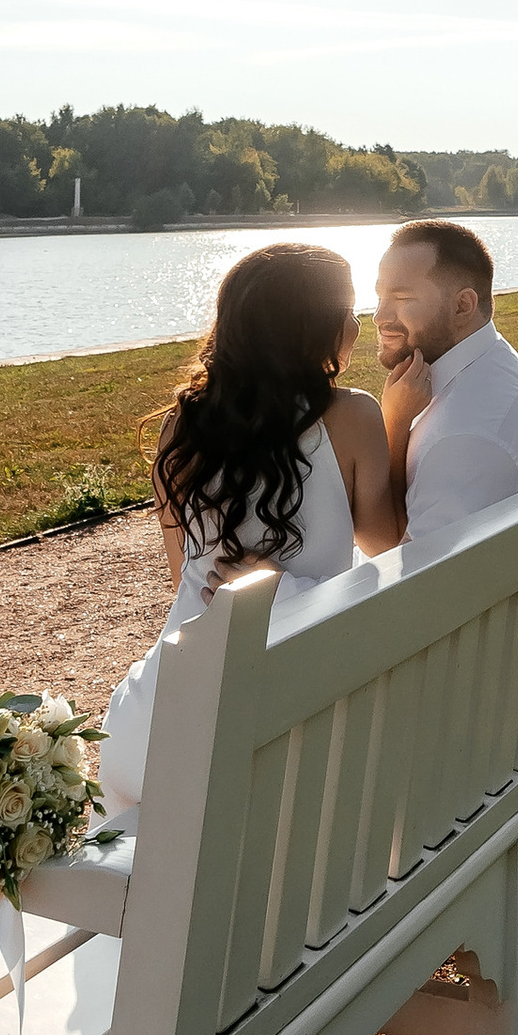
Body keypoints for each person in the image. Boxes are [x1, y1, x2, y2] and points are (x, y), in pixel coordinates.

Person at [97, 241, 401, 819]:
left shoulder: (179, 425)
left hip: (154, 720)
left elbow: (182, 575)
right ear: (312, 330)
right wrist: (403, 411)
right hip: (269, 725)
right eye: (348, 310)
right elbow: (389, 549)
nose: (358, 324)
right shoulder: (356, 416)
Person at [375, 218, 518, 564]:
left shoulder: (465, 436)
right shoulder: (490, 363)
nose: (379, 316)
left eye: (402, 297)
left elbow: (407, 584)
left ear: (463, 305)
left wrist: (392, 423)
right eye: (380, 296)